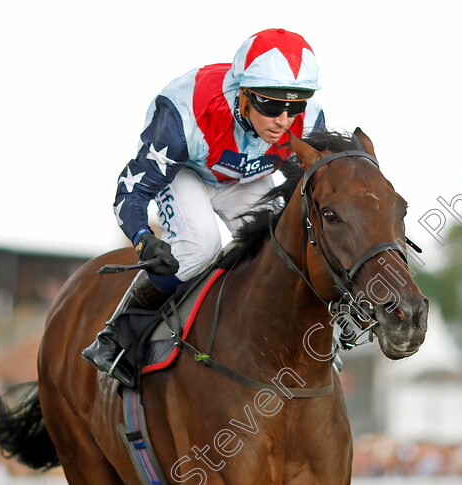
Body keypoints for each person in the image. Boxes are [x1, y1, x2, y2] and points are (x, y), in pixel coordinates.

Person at [82, 28, 326, 385]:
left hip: (247, 179)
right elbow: (130, 192)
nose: (283, 120)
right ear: (242, 94)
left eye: (295, 105)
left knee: (278, 249)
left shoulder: (309, 120)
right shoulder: (186, 112)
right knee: (200, 244)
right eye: (271, 105)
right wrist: (142, 238)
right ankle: (119, 334)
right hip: (187, 173)